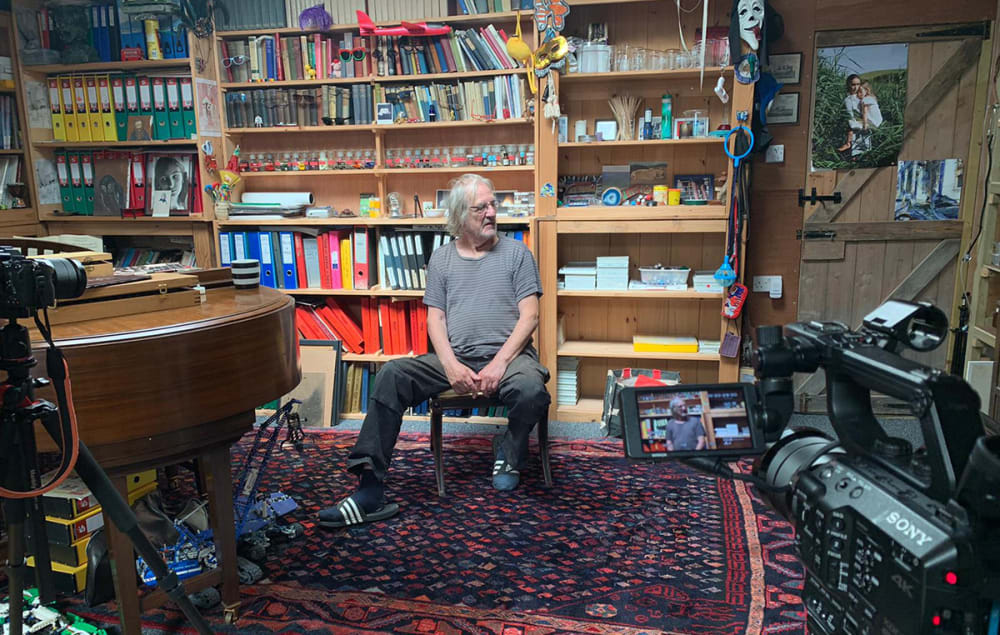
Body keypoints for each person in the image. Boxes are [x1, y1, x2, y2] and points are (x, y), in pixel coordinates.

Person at [318, 174, 550, 529]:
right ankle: (369, 488)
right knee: (393, 375)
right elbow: (435, 320)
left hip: (510, 357)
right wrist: (451, 365)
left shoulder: (517, 254)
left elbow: (530, 316)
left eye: (493, 205)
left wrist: (499, 365)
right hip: (455, 357)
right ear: (459, 216)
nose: (491, 213)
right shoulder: (441, 259)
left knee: (533, 390)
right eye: (481, 208)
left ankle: (509, 450)